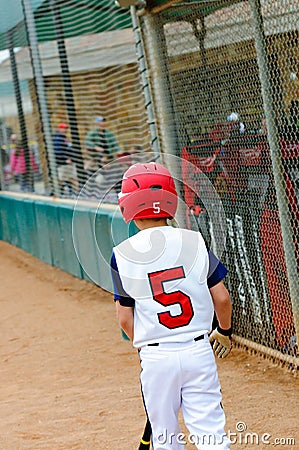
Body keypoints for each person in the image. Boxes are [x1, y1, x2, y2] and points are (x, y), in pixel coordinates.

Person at [111, 162, 232, 450]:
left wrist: (145, 342)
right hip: (199, 349)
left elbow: (125, 318)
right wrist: (224, 331)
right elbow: (223, 299)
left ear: (128, 206)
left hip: (156, 356)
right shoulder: (195, 242)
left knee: (165, 438)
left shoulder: (122, 254)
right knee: (210, 432)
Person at [53, 123, 78, 196]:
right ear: (59, 129)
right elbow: (57, 151)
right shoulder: (58, 139)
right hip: (63, 162)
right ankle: (62, 192)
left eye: (65, 128)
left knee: (70, 177)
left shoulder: (64, 138)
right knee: (63, 178)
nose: (65, 130)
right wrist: (64, 159)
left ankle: (70, 192)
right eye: (63, 128)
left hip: (69, 161)